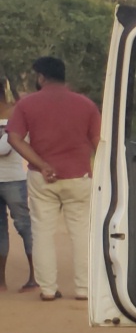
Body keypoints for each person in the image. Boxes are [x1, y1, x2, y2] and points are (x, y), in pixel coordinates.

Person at [7, 57, 100, 302]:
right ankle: (83, 288)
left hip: (42, 178)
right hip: (79, 176)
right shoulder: (86, 104)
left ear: (41, 77)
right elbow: (99, 142)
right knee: (80, 233)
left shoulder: (27, 105)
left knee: (42, 233)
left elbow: (14, 139)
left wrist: (41, 164)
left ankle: (48, 289)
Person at [0, 78, 37, 292]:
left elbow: (5, 149)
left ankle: (35, 275)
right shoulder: (15, 115)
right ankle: (4, 281)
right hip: (12, 180)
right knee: (12, 228)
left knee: (24, 227)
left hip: (14, 180)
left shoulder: (17, 114)